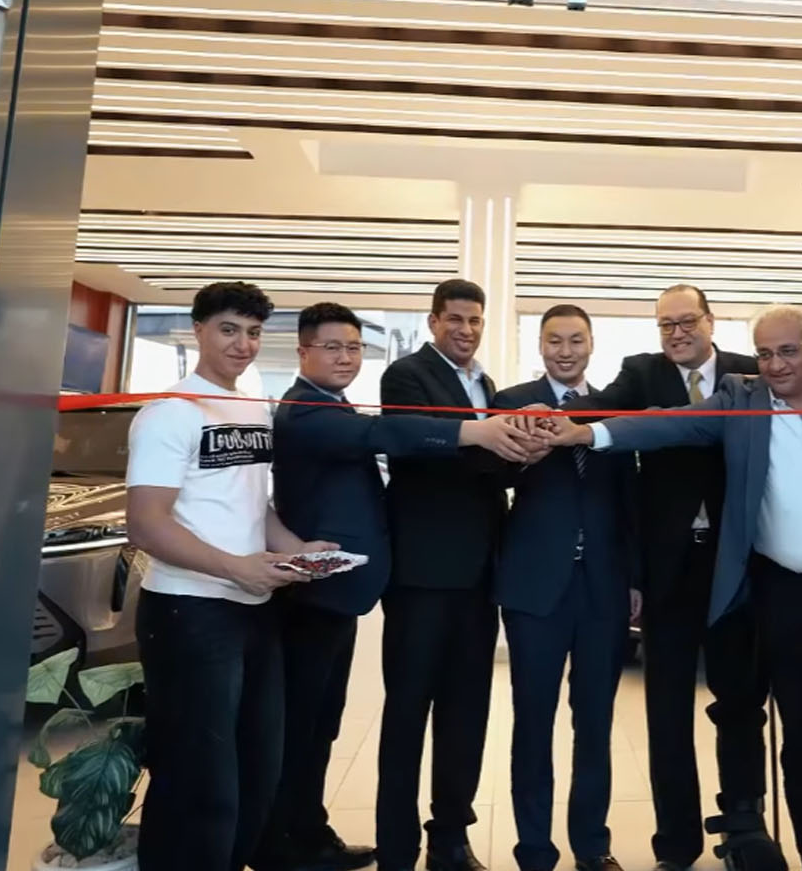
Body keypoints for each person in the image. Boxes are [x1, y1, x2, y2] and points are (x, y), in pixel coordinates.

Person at [533, 305, 802, 871]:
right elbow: (665, 423)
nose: (776, 364)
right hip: (785, 596)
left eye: (787, 351)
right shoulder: (744, 400)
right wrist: (585, 432)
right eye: (765, 353)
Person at [257, 303, 536, 871]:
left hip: (367, 585)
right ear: (303, 351)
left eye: (352, 347)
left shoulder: (477, 385)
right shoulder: (314, 407)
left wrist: (521, 444)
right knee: (316, 722)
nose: (345, 357)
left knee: (325, 723)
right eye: (332, 347)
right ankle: (296, 845)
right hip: (335, 588)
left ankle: (312, 835)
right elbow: (388, 434)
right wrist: (477, 431)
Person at [561, 284, 776, 871]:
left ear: (711, 321)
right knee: (667, 712)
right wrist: (546, 413)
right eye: (665, 325)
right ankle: (675, 845)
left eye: (686, 322)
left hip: (737, 565)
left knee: (741, 703)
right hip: (666, 571)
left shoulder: (750, 373)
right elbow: (597, 409)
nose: (676, 334)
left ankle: (744, 829)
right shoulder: (643, 373)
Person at [126, 281, 325, 871]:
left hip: (253, 609)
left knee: (256, 766)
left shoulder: (251, 407)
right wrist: (236, 568)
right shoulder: (170, 413)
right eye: (229, 330)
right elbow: (146, 523)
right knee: (198, 777)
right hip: (189, 611)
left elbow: (252, 506)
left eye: (254, 333)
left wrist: (297, 551)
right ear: (199, 331)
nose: (243, 344)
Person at [490, 305, 641, 871]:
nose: (566, 351)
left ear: (591, 344)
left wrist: (635, 578)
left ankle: (592, 846)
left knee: (594, 723)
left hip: (603, 587)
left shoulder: (613, 411)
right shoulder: (512, 402)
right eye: (555, 340)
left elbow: (630, 500)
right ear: (540, 345)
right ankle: (534, 850)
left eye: (576, 340)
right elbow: (492, 475)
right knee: (533, 721)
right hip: (535, 588)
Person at [376, 279, 512, 871]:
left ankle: (450, 838)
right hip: (423, 577)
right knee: (407, 713)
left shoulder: (486, 385)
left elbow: (490, 468)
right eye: (455, 318)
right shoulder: (406, 375)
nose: (466, 329)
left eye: (475, 320)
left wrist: (523, 450)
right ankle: (397, 848)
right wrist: (485, 440)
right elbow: (410, 442)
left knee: (466, 713)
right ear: (433, 321)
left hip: (480, 577)